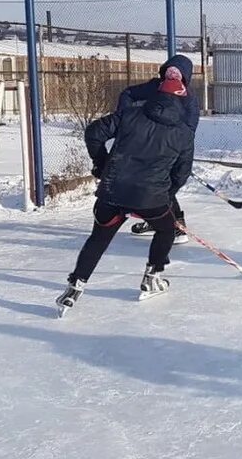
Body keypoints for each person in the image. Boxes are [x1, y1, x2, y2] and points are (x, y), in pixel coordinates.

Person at [55, 71, 195, 315]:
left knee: (98, 238)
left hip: (112, 192)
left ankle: (75, 285)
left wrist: (102, 164)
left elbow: (93, 132)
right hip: (150, 198)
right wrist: (166, 191)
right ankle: (153, 275)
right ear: (181, 100)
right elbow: (182, 174)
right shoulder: (184, 133)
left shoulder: (130, 114)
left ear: (158, 94)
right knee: (166, 229)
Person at [118, 54, 199, 244]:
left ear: (185, 77)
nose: (172, 77)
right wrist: (126, 119)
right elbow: (127, 94)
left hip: (169, 147)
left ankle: (176, 225)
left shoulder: (188, 98)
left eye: (177, 74)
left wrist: (179, 149)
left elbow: (189, 130)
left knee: (163, 186)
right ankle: (154, 221)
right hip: (148, 143)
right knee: (149, 184)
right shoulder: (155, 86)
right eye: (169, 72)